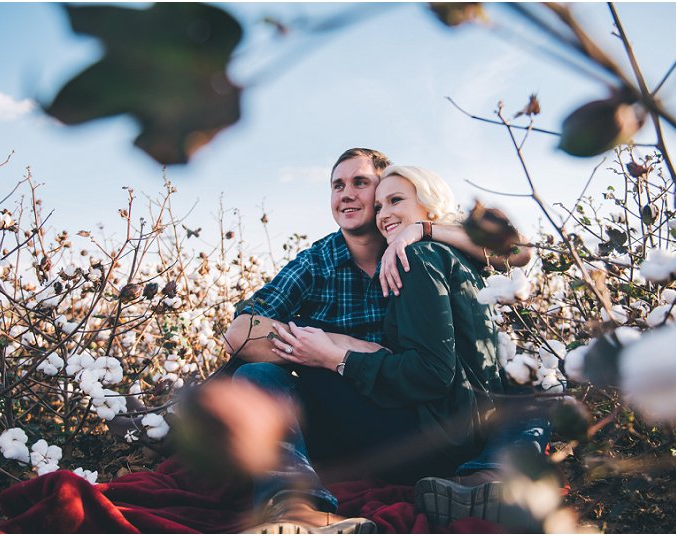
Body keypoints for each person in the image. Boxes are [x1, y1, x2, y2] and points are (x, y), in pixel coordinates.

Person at [223, 149, 543, 532]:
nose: (347, 194)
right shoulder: (317, 262)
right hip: (352, 404)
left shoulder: (425, 249)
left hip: (416, 412)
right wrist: (336, 347)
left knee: (535, 387)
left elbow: (520, 251)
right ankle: (296, 508)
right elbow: (240, 332)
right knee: (254, 374)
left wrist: (423, 229)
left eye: (361, 183)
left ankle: (486, 479)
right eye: (337, 185)